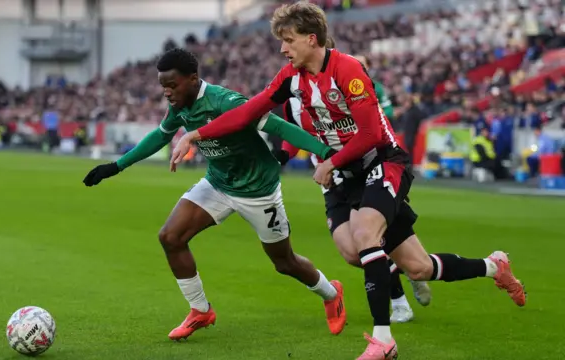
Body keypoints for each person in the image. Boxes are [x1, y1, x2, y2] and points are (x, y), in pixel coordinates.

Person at [170, 3, 526, 359]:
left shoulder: (348, 69)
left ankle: (384, 340)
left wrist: (331, 162)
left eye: (288, 40)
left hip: (382, 162)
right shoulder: (291, 78)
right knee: (398, 262)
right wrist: (195, 135)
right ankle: (493, 266)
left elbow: (371, 133)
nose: (283, 48)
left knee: (366, 236)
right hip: (346, 176)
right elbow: (248, 111)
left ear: (312, 39)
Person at [82, 48, 346, 342]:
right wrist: (116, 166)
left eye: (173, 85)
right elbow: (160, 135)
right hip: (218, 184)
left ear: (193, 79)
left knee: (284, 263)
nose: (167, 93)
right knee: (170, 237)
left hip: (259, 190)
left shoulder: (226, 101)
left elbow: (279, 126)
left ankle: (331, 292)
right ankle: (200, 310)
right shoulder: (180, 105)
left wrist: (325, 153)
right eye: (163, 87)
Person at [278, 35, 431, 324]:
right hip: (332, 179)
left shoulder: (350, 81)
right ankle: (402, 270)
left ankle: (396, 307)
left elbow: (375, 120)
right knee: (352, 253)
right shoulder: (294, 94)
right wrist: (282, 158)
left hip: (366, 167)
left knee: (368, 240)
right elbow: (292, 133)